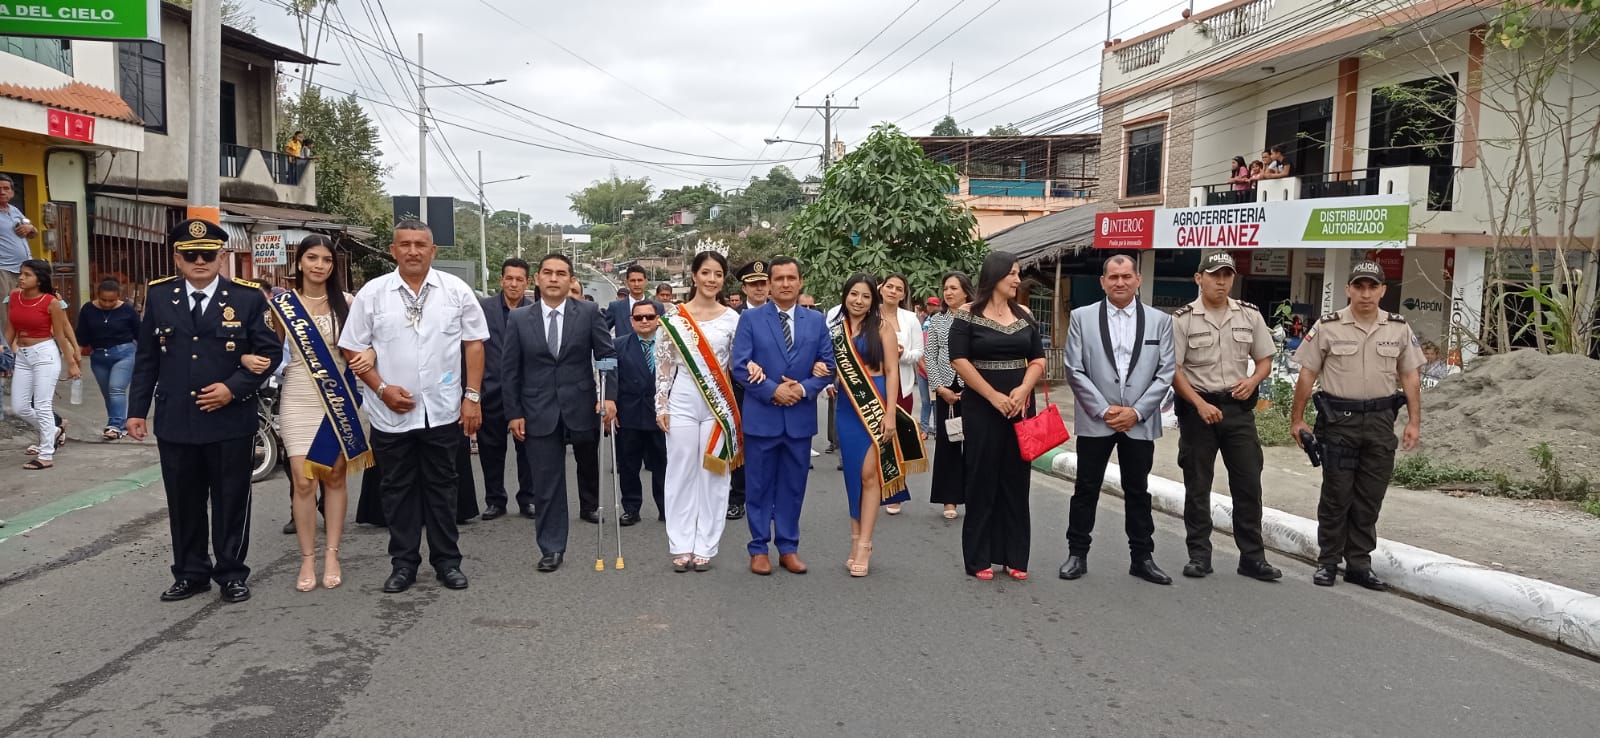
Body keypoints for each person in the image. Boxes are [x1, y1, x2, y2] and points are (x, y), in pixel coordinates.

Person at [127, 220, 281, 603]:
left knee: (231, 500)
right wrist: (136, 410)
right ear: (177, 258)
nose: (200, 261)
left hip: (230, 419)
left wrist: (233, 388)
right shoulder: (160, 296)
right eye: (191, 254)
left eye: (208, 254)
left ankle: (231, 573)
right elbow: (147, 358)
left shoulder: (246, 297)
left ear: (221, 257)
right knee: (183, 502)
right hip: (176, 419)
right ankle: (190, 573)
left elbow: (269, 352)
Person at [339, 219, 488, 594]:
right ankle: (403, 564)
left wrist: (472, 397)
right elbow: (352, 347)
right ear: (393, 251)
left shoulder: (455, 291)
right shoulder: (374, 294)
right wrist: (381, 388)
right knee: (397, 490)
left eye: (420, 244)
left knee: (443, 488)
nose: (413, 251)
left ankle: (447, 562)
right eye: (404, 244)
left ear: (433, 251)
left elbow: (474, 344)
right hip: (391, 413)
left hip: (442, 410)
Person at [1290, 261, 1424, 591]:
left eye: (1372, 287)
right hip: (1339, 422)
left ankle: (1359, 565)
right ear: (1348, 289)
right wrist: (1297, 419)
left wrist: (1414, 421)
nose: (1366, 294)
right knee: (1336, 495)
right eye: (1359, 287)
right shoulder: (1328, 326)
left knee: (1369, 497)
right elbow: (1307, 373)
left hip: (1380, 422)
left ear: (1382, 290)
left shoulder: (1398, 328)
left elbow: (1410, 376)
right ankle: (1328, 561)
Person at [261, 235, 371, 592]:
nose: (319, 265)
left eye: (326, 259)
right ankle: (307, 558)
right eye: (312, 258)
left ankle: (332, 554)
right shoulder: (282, 306)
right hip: (298, 396)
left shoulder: (348, 304)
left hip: (338, 397)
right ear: (299, 262)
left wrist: (371, 355)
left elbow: (369, 344)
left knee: (334, 476)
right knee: (303, 479)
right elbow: (269, 350)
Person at [1060, 254, 1176, 586]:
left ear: (1138, 280)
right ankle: (1077, 553)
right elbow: (1074, 368)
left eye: (1126, 276)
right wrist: (1104, 410)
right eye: (1113, 277)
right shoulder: (1082, 318)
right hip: (1097, 419)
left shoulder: (1159, 321)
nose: (1120, 282)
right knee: (1086, 488)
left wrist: (1136, 412)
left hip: (1139, 421)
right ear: (1103, 282)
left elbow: (1165, 371)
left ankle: (1142, 558)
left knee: (1138, 490)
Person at [1169, 252, 1283, 582]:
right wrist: (1198, 403)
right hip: (1198, 411)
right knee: (1197, 485)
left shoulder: (1249, 314)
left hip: (1237, 410)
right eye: (1214, 275)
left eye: (1227, 276)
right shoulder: (1182, 319)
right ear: (1199, 278)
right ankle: (1199, 556)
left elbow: (1264, 359)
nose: (1221, 282)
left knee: (1248, 484)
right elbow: (1173, 370)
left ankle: (1252, 558)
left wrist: (1253, 380)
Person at [503, 253, 617, 573]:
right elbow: (510, 370)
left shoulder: (589, 313)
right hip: (537, 410)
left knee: (587, 465)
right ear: (537, 279)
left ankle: (589, 505)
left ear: (571, 280)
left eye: (561, 273)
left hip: (581, 406)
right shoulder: (519, 318)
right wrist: (514, 412)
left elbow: (606, 357)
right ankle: (552, 548)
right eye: (548, 273)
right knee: (547, 482)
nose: (554, 278)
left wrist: (609, 398)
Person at [732, 256, 834, 575]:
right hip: (762, 417)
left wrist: (801, 389)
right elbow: (740, 366)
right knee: (759, 486)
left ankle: (788, 547)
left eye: (791, 278)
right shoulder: (750, 319)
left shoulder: (815, 321)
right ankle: (759, 548)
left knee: (793, 487)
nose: (786, 284)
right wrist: (773, 390)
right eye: (779, 279)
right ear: (770, 284)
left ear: (800, 282)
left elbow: (828, 366)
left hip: (799, 419)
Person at [949, 253, 1046, 580]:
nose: (1018, 280)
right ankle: (979, 558)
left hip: (1021, 406)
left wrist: (1023, 390)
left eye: (1018, 274)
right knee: (982, 477)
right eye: (1012, 274)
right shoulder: (967, 314)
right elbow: (959, 360)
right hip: (981, 407)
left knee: (1017, 479)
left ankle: (1014, 556)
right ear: (995, 275)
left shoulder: (1025, 314)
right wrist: (992, 396)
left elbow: (1038, 359)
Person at [655, 252, 742, 571]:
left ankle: (706, 544)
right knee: (680, 471)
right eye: (705, 273)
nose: (711, 279)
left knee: (714, 473)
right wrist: (661, 404)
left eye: (718, 274)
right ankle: (680, 544)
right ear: (694, 276)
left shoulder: (733, 319)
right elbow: (663, 364)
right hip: (682, 399)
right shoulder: (674, 318)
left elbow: (739, 363)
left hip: (718, 404)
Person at [832, 274, 922, 577]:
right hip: (847, 406)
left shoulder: (882, 328)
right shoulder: (837, 330)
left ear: (874, 299)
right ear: (846, 296)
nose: (858, 301)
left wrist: (890, 413)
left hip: (877, 401)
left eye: (865, 296)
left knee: (869, 474)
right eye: (854, 294)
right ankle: (854, 538)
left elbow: (893, 371)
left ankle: (865, 544)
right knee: (852, 475)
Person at [6, 259, 81, 469]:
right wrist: (5, 353)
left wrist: (72, 362)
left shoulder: (51, 302)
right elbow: (10, 328)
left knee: (42, 405)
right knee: (20, 407)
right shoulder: (14, 296)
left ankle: (46, 454)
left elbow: (60, 334)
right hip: (22, 355)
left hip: (44, 355)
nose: (21, 277)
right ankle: (54, 431)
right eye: (21, 273)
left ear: (39, 279)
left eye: (27, 274)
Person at [477, 258, 536, 521]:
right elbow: (472, 349)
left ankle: (528, 498)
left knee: (528, 450)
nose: (513, 284)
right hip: (490, 391)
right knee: (490, 450)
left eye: (519, 279)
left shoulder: (536, 311)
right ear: (501, 280)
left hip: (526, 394)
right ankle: (495, 500)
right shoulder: (482, 309)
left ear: (527, 282)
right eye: (509, 278)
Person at [726, 259, 771, 521]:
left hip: (773, 389)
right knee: (741, 444)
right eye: (753, 284)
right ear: (744, 288)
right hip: (740, 390)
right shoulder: (733, 316)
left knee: (769, 445)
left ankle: (766, 497)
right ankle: (738, 497)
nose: (759, 288)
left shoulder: (780, 313)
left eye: (763, 283)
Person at [616, 300, 669, 526]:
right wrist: (609, 405)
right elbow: (609, 379)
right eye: (639, 317)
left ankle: (666, 507)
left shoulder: (670, 345)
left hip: (661, 415)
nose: (644, 321)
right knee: (629, 465)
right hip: (629, 414)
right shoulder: (617, 345)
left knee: (663, 464)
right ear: (631, 321)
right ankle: (631, 508)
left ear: (658, 319)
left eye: (649, 316)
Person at [925, 273, 973, 520]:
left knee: (975, 444)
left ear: (966, 291)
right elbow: (930, 356)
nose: (948, 292)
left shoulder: (977, 318)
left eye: (954, 288)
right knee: (948, 443)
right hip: (946, 389)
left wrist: (975, 386)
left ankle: (975, 497)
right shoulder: (937, 320)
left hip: (973, 388)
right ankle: (949, 499)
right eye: (945, 288)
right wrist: (939, 388)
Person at [876, 273, 922, 515]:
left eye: (898, 289)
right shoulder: (869, 315)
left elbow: (918, 353)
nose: (893, 291)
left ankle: (895, 491)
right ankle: (872, 488)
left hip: (902, 387)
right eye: (889, 287)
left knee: (897, 440)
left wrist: (901, 354)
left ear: (904, 294)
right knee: (872, 440)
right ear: (881, 289)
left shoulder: (911, 318)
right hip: (872, 385)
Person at [76, 278, 140, 440]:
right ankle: (121, 425)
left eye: (111, 300)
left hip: (124, 353)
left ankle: (114, 425)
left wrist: (146, 358)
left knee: (116, 388)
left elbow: (140, 334)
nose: (107, 304)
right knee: (108, 394)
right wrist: (75, 360)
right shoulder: (88, 310)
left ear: (119, 296)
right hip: (98, 356)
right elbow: (81, 336)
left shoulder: (128, 310)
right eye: (103, 300)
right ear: (97, 295)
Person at [1, 175, 40, 331]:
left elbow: (33, 233)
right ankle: (5, 344)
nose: (2, 192)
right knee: (5, 310)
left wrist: (31, 228)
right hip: (3, 269)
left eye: (6, 188)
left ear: (12, 192)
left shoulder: (15, 210)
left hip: (24, 269)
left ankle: (24, 339)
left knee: (26, 305)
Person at [605, 265, 657, 334]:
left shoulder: (657, 307)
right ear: (626, 283)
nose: (636, 284)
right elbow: (603, 331)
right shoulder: (616, 307)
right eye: (633, 280)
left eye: (640, 280)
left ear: (646, 282)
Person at [916, 297, 939, 438]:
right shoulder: (922, 332)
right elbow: (918, 356)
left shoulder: (942, 335)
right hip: (923, 373)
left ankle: (937, 429)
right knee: (925, 402)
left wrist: (934, 373)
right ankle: (924, 430)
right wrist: (928, 371)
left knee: (936, 403)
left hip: (937, 374)